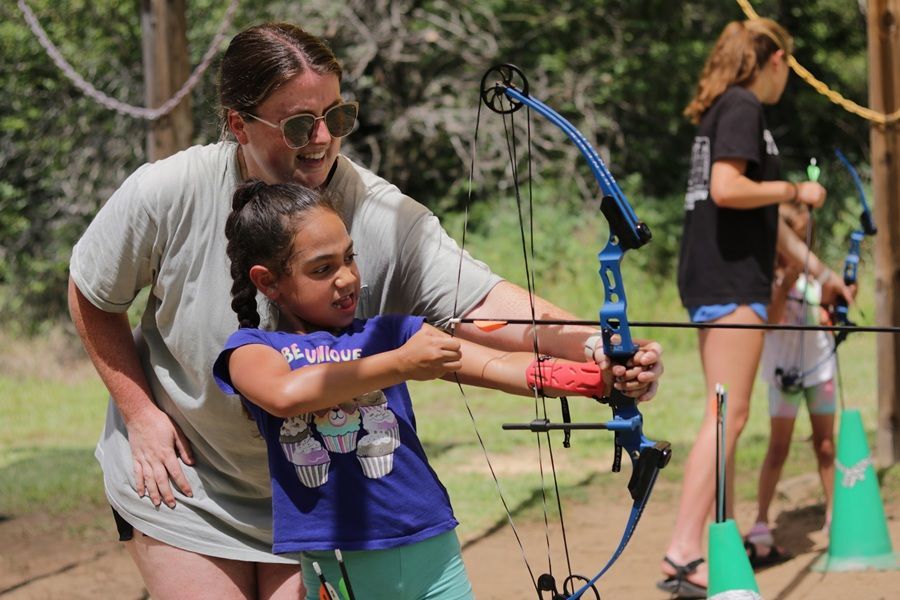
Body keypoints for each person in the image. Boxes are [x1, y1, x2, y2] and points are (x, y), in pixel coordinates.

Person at [68, 22, 663, 600]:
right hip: (184, 479)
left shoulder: (382, 213)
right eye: (298, 124)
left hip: (315, 506)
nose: (322, 138)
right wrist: (141, 414)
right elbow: (92, 293)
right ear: (238, 124)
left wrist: (598, 348)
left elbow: (482, 304)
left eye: (336, 117)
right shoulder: (168, 191)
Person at [213, 180, 627, 599]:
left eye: (350, 258)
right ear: (268, 282)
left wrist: (598, 374)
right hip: (342, 560)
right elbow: (284, 395)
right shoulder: (253, 350)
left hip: (432, 545)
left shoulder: (393, 333)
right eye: (323, 269)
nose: (347, 278)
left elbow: (499, 365)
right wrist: (400, 363)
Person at [657, 18, 851, 598]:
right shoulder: (742, 106)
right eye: (788, 67)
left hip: (723, 278)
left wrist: (824, 276)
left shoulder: (729, 109)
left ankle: (718, 541)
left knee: (726, 415)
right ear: (776, 61)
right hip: (729, 281)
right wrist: (795, 190)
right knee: (727, 415)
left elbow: (767, 224)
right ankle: (684, 552)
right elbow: (727, 188)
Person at [749, 201, 836, 566]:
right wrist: (785, 282)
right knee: (778, 447)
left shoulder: (813, 274)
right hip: (784, 375)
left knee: (826, 445)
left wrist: (838, 296)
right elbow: (769, 321)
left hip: (820, 370)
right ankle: (761, 522)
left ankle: (834, 516)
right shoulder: (761, 277)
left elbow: (832, 303)